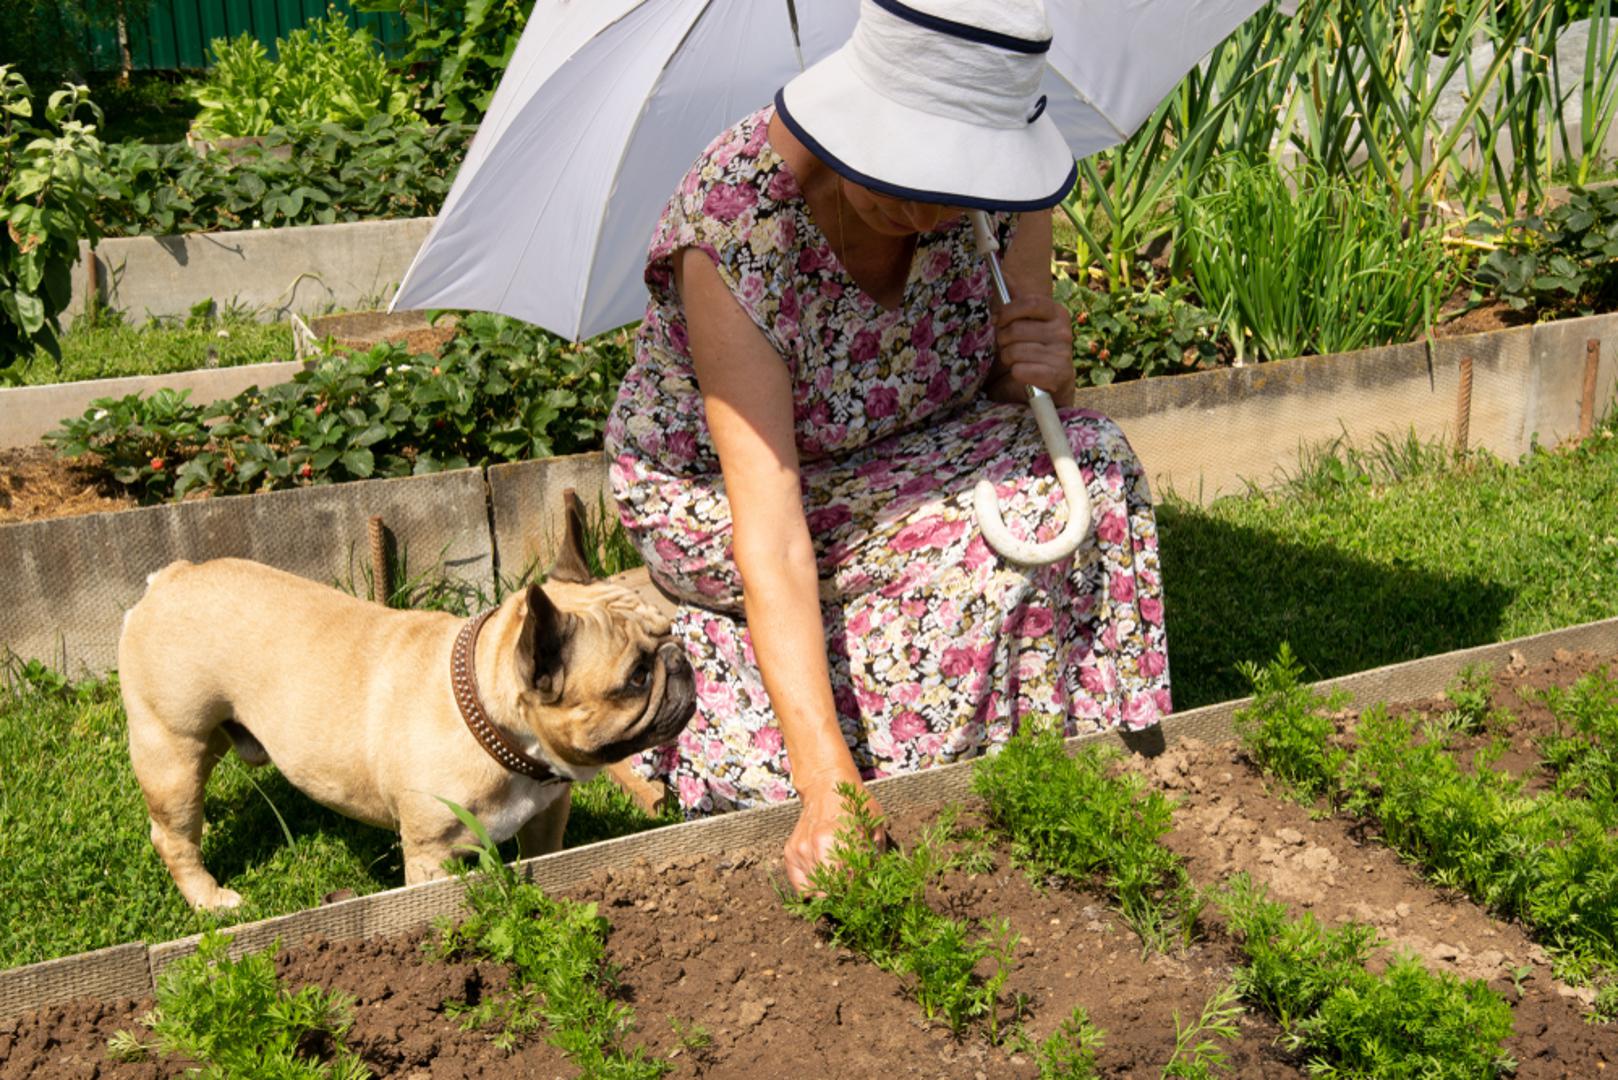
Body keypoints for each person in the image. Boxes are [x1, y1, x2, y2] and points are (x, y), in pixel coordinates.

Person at [603, 0, 1170, 893]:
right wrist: (827, 785)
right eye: (913, 172)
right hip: (719, 496)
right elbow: (772, 521)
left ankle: (1074, 745)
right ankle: (755, 726)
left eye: (959, 179)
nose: (936, 210)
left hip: (905, 449)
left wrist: (1049, 374)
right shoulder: (737, 226)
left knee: (1096, 464)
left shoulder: (998, 204)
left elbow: (1017, 408)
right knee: (976, 558)